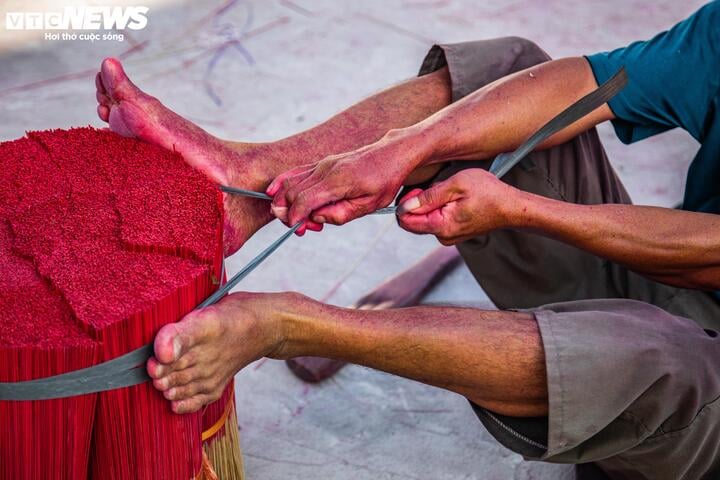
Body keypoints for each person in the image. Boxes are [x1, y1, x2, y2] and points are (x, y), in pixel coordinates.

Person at [94, 2, 720, 478]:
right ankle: (246, 184)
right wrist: (406, 148)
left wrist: (522, 210)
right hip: (670, 277)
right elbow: (590, 85)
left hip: (706, 384)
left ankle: (287, 326)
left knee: (665, 356)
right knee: (511, 73)